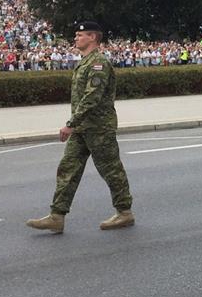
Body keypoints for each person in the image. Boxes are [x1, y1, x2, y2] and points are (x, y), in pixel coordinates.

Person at [26, 21, 134, 233]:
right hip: (82, 128)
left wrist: (70, 124)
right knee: (67, 169)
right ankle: (57, 216)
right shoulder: (85, 62)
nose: (75, 38)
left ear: (93, 37)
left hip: (99, 128)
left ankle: (125, 212)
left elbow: (92, 96)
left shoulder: (98, 63)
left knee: (111, 170)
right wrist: (75, 125)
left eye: (79, 35)